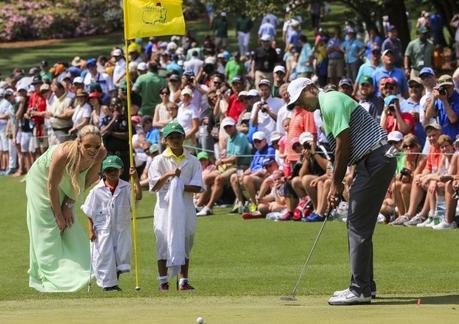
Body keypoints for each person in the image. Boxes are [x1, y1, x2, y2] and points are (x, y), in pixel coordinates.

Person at [286, 78, 396, 305]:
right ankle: (366, 285)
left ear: (310, 89)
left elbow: (343, 144)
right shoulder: (327, 107)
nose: (301, 105)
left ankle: (360, 289)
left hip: (375, 160)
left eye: (300, 99)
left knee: (357, 224)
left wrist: (336, 184)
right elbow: (348, 147)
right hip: (372, 161)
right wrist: (341, 180)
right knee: (359, 224)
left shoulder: (331, 101)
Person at [26, 125, 106, 292]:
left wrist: (68, 205)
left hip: (69, 184)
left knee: (69, 225)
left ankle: (79, 268)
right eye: (87, 146)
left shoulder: (100, 153)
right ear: (78, 143)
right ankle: (50, 273)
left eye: (96, 146)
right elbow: (51, 185)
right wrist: (58, 214)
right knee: (50, 226)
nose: (93, 150)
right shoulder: (63, 154)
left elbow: (87, 180)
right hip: (42, 181)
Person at [148, 121, 203, 291]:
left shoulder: (193, 161)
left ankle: (183, 281)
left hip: (186, 207)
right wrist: (169, 175)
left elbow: (198, 186)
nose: (175, 140)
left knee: (186, 240)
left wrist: (179, 185)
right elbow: (154, 186)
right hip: (164, 209)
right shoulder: (158, 160)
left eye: (178, 136)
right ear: (165, 140)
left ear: (183, 137)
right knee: (163, 242)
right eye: (171, 137)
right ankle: (163, 282)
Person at [82, 155, 142, 291]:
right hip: (102, 229)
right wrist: (90, 230)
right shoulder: (96, 191)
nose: (112, 173)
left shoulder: (126, 187)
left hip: (121, 228)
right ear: (104, 172)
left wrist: (136, 180)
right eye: (109, 171)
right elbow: (89, 212)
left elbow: (137, 198)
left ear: (120, 171)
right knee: (103, 257)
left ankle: (113, 283)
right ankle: (109, 286)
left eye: (115, 170)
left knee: (120, 258)